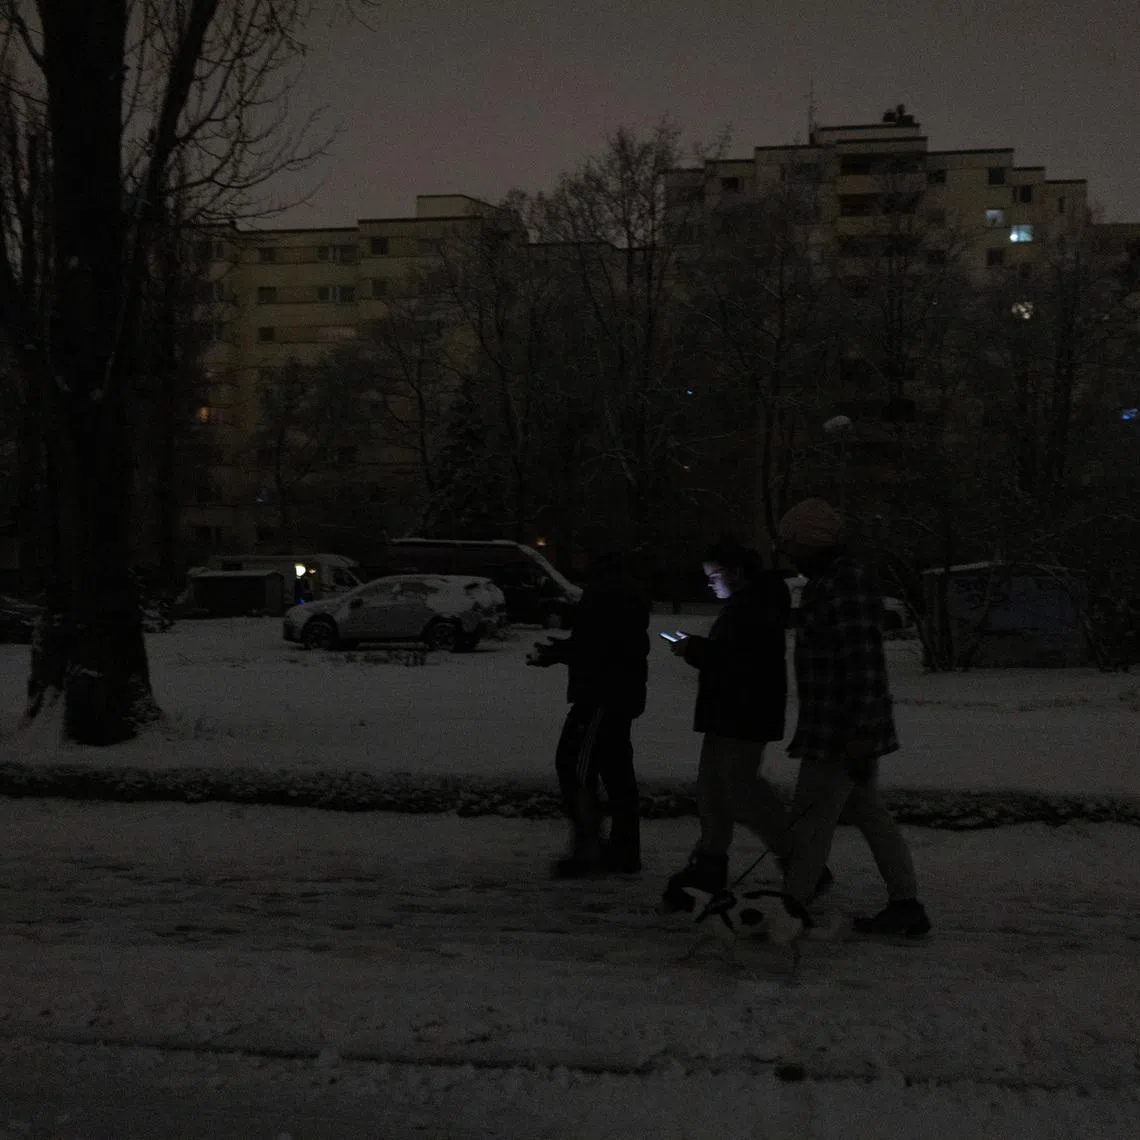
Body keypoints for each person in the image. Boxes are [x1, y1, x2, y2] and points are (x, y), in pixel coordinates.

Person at [776, 498, 931, 939]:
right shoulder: (834, 582)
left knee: (811, 819)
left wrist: (860, 735)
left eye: (792, 545)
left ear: (810, 544)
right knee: (867, 811)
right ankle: (906, 903)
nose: (789, 554)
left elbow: (862, 662)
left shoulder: (840, 585)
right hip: (843, 727)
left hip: (839, 732)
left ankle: (789, 908)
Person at [660, 541, 829, 912]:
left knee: (741, 789)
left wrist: (695, 650)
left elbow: (739, 661)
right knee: (716, 787)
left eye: (714, 575)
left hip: (743, 711)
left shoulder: (755, 606)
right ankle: (710, 861)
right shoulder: (751, 603)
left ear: (736, 572)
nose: (710, 584)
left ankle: (801, 861)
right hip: (732, 710)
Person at [528, 551, 650, 877]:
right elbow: (608, 640)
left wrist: (558, 653)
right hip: (618, 694)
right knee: (615, 770)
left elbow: (598, 645)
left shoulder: (604, 592)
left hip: (600, 695)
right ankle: (623, 849)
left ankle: (588, 850)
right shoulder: (620, 589)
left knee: (575, 766)